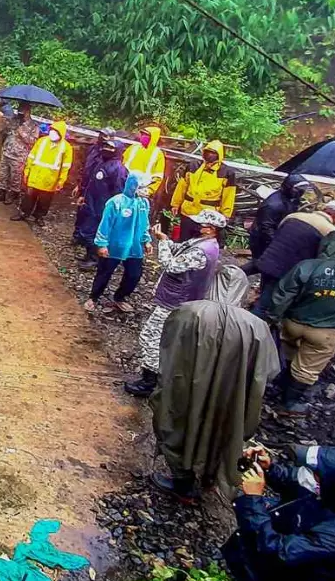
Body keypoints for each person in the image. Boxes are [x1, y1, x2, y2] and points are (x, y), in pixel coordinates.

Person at [148, 266, 275, 503]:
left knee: (179, 425)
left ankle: (183, 483)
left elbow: (168, 350)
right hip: (230, 397)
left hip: (187, 388)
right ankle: (208, 478)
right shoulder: (257, 327)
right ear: (243, 290)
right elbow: (267, 371)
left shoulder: (187, 312)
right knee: (223, 430)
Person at [224, 445, 335, 581]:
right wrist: (268, 468)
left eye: (319, 474)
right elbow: (297, 481)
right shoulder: (333, 494)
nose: (314, 476)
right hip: (272, 579)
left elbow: (278, 551)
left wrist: (253, 500)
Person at [124, 209, 225, 397]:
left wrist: (162, 242)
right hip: (176, 299)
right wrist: (164, 238)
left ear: (211, 229)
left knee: (150, 338)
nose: (196, 225)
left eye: (200, 224)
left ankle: (149, 382)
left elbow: (171, 265)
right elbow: (179, 250)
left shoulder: (202, 251)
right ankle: (156, 377)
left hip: (175, 302)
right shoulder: (202, 243)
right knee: (160, 338)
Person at [263, 231, 335, 415]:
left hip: (294, 322)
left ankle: (278, 385)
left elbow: (283, 294)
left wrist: (273, 317)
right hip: (326, 331)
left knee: (288, 353)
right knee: (307, 368)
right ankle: (289, 404)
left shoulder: (307, 266)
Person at [251, 200, 335, 318]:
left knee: (266, 292)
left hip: (267, 260)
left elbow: (279, 234)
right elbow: (323, 258)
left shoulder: (294, 216)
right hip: (286, 271)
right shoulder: (331, 232)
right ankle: (250, 328)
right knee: (267, 305)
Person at [85, 172, 151, 311]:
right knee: (104, 272)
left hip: (134, 246)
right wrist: (102, 244)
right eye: (142, 187)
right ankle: (93, 297)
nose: (146, 191)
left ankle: (120, 297)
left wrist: (146, 240)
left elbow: (144, 224)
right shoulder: (116, 202)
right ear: (133, 186)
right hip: (115, 244)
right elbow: (105, 224)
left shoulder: (143, 203)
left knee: (134, 275)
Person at [73, 134, 128, 269]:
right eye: (106, 146)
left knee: (97, 232)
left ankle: (94, 259)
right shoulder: (102, 163)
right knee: (87, 230)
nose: (106, 149)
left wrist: (112, 211)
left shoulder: (118, 169)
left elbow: (119, 192)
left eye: (110, 148)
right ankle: (89, 255)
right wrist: (83, 195)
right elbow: (92, 182)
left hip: (103, 207)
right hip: (92, 203)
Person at [170, 140, 236, 240]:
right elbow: (182, 187)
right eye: (208, 152)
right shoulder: (193, 166)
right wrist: (175, 204)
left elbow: (228, 196)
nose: (210, 155)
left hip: (208, 216)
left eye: (213, 153)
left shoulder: (227, 172)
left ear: (219, 155)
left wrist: (225, 215)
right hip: (188, 212)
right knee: (184, 241)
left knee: (201, 243)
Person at [11, 121, 73, 226]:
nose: (52, 133)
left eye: (56, 131)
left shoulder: (66, 147)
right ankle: (23, 213)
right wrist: (26, 171)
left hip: (50, 180)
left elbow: (66, 166)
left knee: (45, 201)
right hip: (35, 176)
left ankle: (39, 217)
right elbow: (31, 157)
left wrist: (61, 181)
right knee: (28, 198)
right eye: (52, 130)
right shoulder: (42, 141)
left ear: (61, 133)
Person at [248, 173, 311, 260]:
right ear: (288, 187)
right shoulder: (273, 205)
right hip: (262, 239)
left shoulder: (292, 199)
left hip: (275, 235)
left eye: (302, 189)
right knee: (261, 262)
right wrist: (277, 243)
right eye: (297, 189)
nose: (301, 192)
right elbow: (266, 227)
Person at [0, 102, 36, 205]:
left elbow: (33, 142)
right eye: (19, 110)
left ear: (28, 111)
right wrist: (5, 125)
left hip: (19, 156)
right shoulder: (14, 120)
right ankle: (1, 192)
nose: (20, 112)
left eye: (23, 110)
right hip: (7, 151)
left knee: (15, 178)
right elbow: (3, 132)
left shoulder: (33, 126)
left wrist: (22, 133)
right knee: (3, 174)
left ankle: (12, 195)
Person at [122, 127, 167, 197]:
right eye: (142, 134)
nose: (143, 137)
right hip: (123, 185)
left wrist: (149, 190)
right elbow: (121, 162)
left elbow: (158, 177)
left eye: (146, 135)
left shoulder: (158, 154)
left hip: (141, 191)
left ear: (153, 137)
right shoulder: (133, 147)